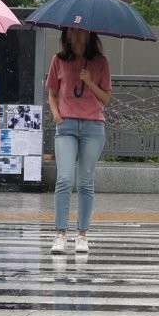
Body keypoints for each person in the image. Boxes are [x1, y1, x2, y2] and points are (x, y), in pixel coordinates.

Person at [45, 27, 111, 254]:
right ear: (67, 35)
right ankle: (60, 234)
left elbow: (106, 98)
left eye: (82, 32)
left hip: (93, 126)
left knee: (85, 182)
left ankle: (82, 234)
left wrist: (90, 82)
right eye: (73, 32)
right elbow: (52, 94)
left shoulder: (100, 62)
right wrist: (56, 115)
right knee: (64, 179)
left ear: (90, 35)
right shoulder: (59, 60)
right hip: (67, 126)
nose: (77, 36)